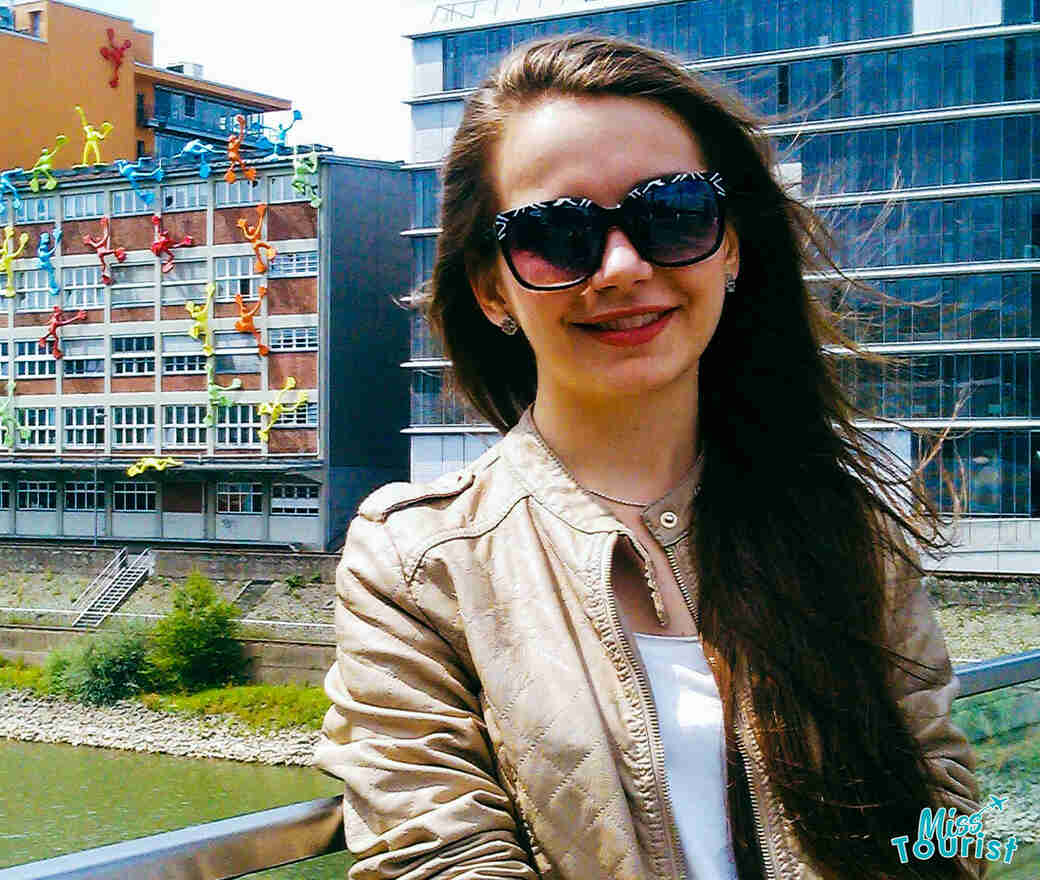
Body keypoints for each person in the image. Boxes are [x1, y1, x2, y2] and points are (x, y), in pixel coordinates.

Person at [313, 35, 983, 880]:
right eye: (557, 235)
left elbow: (955, 811)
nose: (623, 266)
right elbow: (438, 860)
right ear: (491, 288)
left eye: (672, 213)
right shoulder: (417, 563)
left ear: (730, 247)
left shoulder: (840, 527)